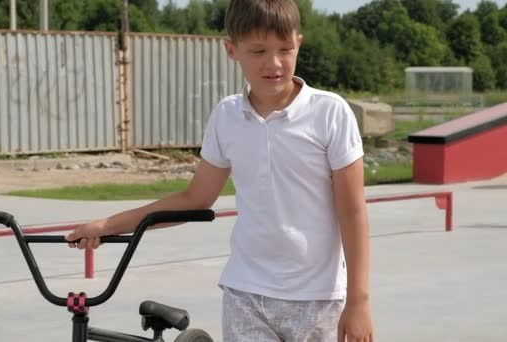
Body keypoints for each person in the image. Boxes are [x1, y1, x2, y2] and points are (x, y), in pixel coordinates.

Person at [66, 0, 373, 340]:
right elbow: (194, 199)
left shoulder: (330, 113)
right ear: (232, 50)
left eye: (285, 49)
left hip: (317, 300)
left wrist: (358, 302)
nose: (273, 63)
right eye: (258, 51)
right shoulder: (227, 116)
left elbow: (352, 210)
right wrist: (108, 225)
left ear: (299, 42)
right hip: (246, 294)